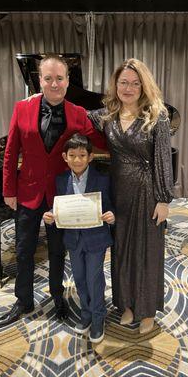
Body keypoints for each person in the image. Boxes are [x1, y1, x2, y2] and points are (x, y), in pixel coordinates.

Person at [0, 55, 107, 329]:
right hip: (27, 192)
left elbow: (100, 140)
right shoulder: (22, 108)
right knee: (23, 250)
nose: (54, 83)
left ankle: (58, 299)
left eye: (59, 78)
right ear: (39, 80)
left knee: (58, 251)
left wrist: (127, 138)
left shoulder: (79, 114)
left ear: (68, 81)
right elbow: (11, 152)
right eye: (48, 78)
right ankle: (23, 300)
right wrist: (9, 189)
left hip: (61, 196)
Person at [89, 58, 174, 334]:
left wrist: (164, 199)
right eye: (123, 82)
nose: (128, 88)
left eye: (135, 83)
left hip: (148, 191)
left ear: (143, 85)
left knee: (148, 251)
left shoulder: (157, 114)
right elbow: (77, 117)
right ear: (116, 85)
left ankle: (147, 311)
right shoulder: (107, 115)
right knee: (122, 250)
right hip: (118, 191)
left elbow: (163, 158)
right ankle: (126, 305)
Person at [43, 133, 115, 343]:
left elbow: (110, 206)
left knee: (94, 279)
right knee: (80, 278)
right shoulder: (61, 180)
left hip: (96, 238)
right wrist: (50, 216)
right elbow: (59, 209)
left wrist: (112, 216)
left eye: (82, 155)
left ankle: (98, 316)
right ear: (65, 157)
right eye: (72, 155)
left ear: (90, 157)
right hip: (73, 239)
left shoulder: (102, 179)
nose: (77, 160)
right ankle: (85, 314)